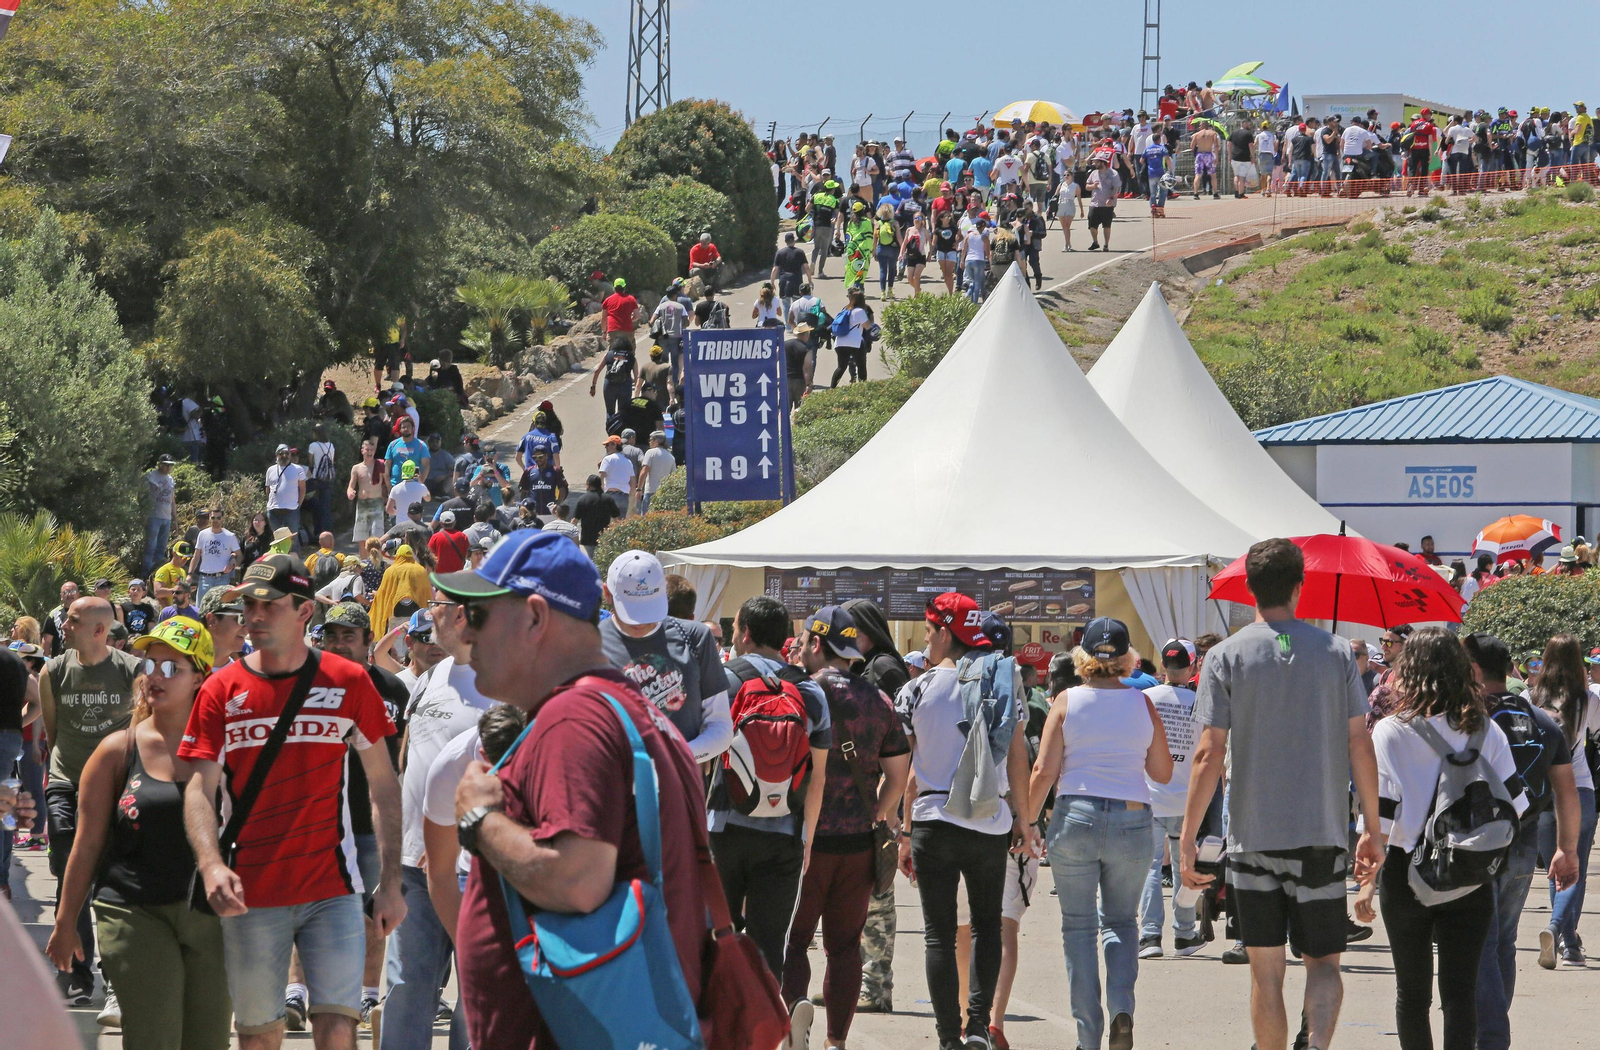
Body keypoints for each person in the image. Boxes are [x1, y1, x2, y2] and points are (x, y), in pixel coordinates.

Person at [432, 529, 710, 1049]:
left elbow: (578, 880)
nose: (465, 633)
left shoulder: (573, 719)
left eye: (478, 614)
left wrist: (479, 820)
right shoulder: (624, 709)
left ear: (535, 617)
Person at [181, 554, 405, 1050]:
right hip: (251, 892)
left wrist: (390, 882)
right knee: (258, 1037)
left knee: (337, 1028)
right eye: (248, 604)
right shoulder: (221, 688)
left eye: (269, 605)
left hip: (334, 890)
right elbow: (199, 787)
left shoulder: (349, 683)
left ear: (305, 612)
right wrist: (211, 864)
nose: (254, 616)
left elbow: (384, 785)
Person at [1179, 538, 1384, 1050]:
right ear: (1300, 586)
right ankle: (1314, 1046)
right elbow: (1360, 742)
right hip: (1322, 833)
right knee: (1323, 962)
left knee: (1265, 971)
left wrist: (1187, 837)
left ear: (1248, 588)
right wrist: (1372, 828)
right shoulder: (1337, 652)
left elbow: (1208, 753)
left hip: (1253, 836)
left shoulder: (1224, 656)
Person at [45, 616, 230, 1044]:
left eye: (172, 668)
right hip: (133, 910)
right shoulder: (116, 750)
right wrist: (65, 920)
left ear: (201, 677)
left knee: (208, 1039)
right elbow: (87, 843)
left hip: (211, 917)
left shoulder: (228, 747)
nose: (155, 676)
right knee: (154, 1035)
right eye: (149, 664)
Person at [1352, 628, 1528, 1050]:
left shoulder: (1390, 731)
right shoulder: (1486, 729)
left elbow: (1384, 818)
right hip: (1469, 870)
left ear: (1408, 671)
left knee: (1411, 995)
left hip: (1404, 872)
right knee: (1460, 995)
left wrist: (1366, 877)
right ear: (1462, 671)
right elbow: (1517, 805)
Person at [896, 592, 1037, 1050]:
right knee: (986, 925)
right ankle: (978, 1025)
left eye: (930, 630)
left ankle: (946, 1037)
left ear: (944, 632)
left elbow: (907, 773)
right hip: (989, 818)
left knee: (938, 934)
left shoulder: (915, 688)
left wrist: (902, 828)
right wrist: (1024, 817)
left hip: (933, 820)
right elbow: (1018, 757)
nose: (925, 639)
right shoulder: (1003, 678)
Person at [1026, 619, 1172, 1050]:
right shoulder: (1142, 704)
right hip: (1132, 816)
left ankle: (1087, 1036)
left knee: (1078, 927)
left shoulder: (1067, 701)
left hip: (1077, 814)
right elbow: (1161, 771)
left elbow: (1043, 770)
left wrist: (1026, 823)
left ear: (1083, 657)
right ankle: (1122, 1006)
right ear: (1128, 658)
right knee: (1122, 922)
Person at [782, 605, 911, 1050]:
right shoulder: (879, 700)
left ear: (816, 644)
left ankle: (795, 1006)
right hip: (857, 844)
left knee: (794, 940)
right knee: (844, 947)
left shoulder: (800, 693)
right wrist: (876, 811)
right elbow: (898, 776)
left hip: (805, 840)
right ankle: (836, 1042)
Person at [371, 587, 487, 1050]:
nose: (427, 613)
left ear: (462, 614)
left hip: (472, 870)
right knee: (405, 986)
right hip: (413, 865)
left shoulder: (501, 681)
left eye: (434, 604)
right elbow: (407, 758)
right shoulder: (430, 676)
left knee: (477, 991)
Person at [710, 595, 831, 992]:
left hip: (723, 830)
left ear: (744, 634)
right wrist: (807, 837)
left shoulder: (724, 681)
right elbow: (818, 776)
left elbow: (698, 759)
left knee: (713, 943)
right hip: (784, 835)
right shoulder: (811, 692)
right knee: (768, 947)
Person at [1463, 633, 1579, 1050]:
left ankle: (1490, 1036)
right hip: (1524, 846)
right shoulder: (1544, 722)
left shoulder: (1466, 718)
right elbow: (1566, 791)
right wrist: (1567, 849)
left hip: (1474, 846)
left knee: (1480, 942)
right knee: (1504, 942)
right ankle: (1491, 1027)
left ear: (1474, 670)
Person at [39, 595, 144, 1005]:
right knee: (70, 872)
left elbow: (141, 726)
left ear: (99, 631)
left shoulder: (131, 670)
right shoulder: (54, 671)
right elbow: (53, 730)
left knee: (113, 876)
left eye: (72, 620)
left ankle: (115, 971)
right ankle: (77, 972)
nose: (63, 625)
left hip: (117, 785)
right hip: (66, 782)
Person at [599, 550, 731, 763]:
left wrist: (676, 756)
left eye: (648, 607)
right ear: (607, 594)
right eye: (631, 610)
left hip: (682, 787)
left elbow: (721, 726)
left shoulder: (695, 636)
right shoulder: (590, 645)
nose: (640, 622)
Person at [1528, 633, 1600, 967]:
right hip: (1580, 787)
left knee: (1555, 868)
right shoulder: (1587, 699)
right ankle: (1563, 935)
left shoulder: (1533, 697)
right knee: (1575, 866)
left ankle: (1564, 938)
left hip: (1544, 793)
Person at [1138, 639, 1205, 959]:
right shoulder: (1200, 702)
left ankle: (1150, 936)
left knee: (1150, 867)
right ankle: (1185, 934)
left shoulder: (1145, 698)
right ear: (1192, 667)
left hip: (1149, 794)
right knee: (1184, 866)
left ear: (1163, 665)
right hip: (1187, 798)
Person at [192, 509, 241, 604]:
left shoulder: (229, 536)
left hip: (222, 578)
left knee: (220, 609)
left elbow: (239, 555)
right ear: (209, 518)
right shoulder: (202, 534)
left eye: (218, 518)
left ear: (223, 519)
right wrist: (190, 574)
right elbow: (196, 556)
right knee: (201, 607)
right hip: (205, 578)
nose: (215, 520)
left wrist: (233, 562)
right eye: (213, 517)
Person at [590, 329, 637, 421]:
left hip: (609, 385)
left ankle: (611, 431)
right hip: (625, 385)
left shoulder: (609, 354)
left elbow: (597, 371)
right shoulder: (631, 356)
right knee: (623, 411)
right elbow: (637, 376)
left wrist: (593, 386)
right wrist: (636, 390)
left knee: (610, 411)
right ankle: (621, 431)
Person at [348, 438, 389, 544]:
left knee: (376, 539)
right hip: (362, 504)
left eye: (372, 450)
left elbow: (388, 483)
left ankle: (375, 560)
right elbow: (351, 486)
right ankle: (364, 560)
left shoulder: (381, 465)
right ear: (362, 451)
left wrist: (391, 499)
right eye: (367, 450)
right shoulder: (356, 468)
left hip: (376, 503)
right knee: (362, 539)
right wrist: (350, 493)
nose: (370, 452)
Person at [143, 454, 177, 577]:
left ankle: (156, 575)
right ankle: (146, 574)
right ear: (160, 464)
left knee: (161, 548)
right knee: (150, 547)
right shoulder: (151, 476)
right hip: (154, 516)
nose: (168, 468)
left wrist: (175, 519)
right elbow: (144, 495)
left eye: (170, 465)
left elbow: (172, 499)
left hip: (166, 517)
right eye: (166, 465)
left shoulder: (170, 479)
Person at [830, 287, 871, 387]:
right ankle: (862, 388)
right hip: (855, 343)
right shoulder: (860, 311)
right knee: (861, 366)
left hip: (840, 342)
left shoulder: (845, 309)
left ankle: (832, 388)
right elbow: (867, 327)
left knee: (841, 367)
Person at [572, 473, 619, 559]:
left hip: (587, 539)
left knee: (592, 559)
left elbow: (574, 521)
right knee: (602, 560)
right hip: (604, 538)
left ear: (588, 485)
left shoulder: (582, 499)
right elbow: (617, 520)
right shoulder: (608, 499)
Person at [1086, 159, 1121, 252]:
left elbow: (1116, 187)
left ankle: (1106, 244)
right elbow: (1087, 186)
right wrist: (1093, 186)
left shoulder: (1113, 173)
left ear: (1103, 162)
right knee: (1091, 225)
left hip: (1107, 205)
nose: (1094, 163)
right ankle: (1095, 242)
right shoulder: (1093, 173)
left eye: (1096, 162)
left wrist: (1111, 198)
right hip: (1095, 203)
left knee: (1106, 225)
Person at [599, 434, 638, 518]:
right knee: (620, 525)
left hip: (610, 496)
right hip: (624, 497)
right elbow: (633, 482)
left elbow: (601, 477)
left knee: (607, 524)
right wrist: (631, 497)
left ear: (614, 445)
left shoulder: (607, 459)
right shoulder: (628, 462)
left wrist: (601, 494)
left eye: (607, 445)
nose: (605, 447)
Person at [386, 460, 431, 524]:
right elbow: (428, 499)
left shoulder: (395, 489)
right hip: (417, 524)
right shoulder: (420, 487)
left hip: (401, 524)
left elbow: (388, 509)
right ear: (414, 472)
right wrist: (420, 480)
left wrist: (398, 513)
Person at [958, 213, 989, 304]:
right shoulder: (984, 237)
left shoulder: (969, 235)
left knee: (973, 282)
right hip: (979, 260)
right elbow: (987, 252)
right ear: (983, 226)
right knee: (977, 283)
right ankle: (974, 303)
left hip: (968, 260)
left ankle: (967, 298)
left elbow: (964, 249)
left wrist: (962, 261)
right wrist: (990, 261)